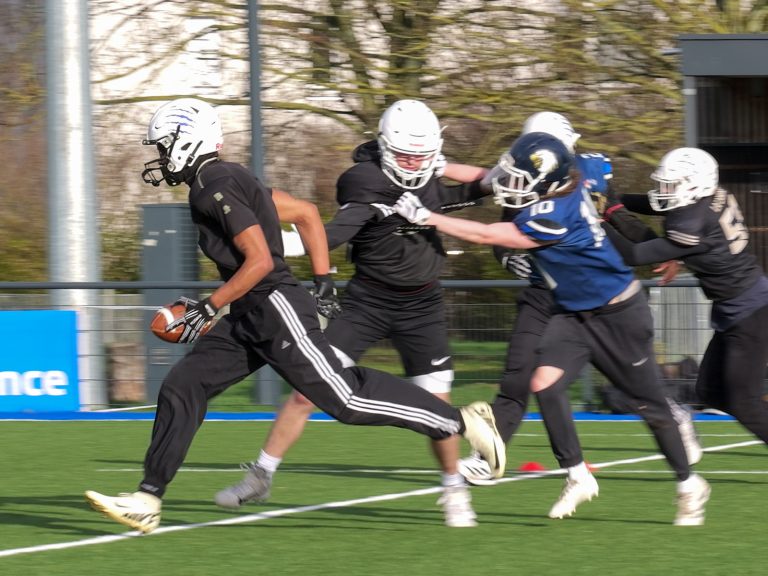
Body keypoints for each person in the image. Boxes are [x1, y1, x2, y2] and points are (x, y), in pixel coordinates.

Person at [83, 98, 505, 533]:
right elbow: (305, 214)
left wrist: (208, 307)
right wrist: (322, 279)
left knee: (344, 399)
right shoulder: (224, 176)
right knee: (183, 385)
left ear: (185, 142)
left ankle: (462, 421)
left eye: (163, 145)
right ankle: (148, 497)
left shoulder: (215, 186)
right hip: (252, 313)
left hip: (274, 306)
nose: (160, 155)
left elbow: (261, 261)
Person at [393, 131, 711, 526]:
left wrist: (428, 217)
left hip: (618, 315)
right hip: (575, 313)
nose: (510, 186)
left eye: (520, 180)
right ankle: (577, 475)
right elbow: (491, 176)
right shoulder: (576, 173)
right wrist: (438, 165)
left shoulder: (551, 214)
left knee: (651, 408)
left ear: (550, 181)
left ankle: (688, 483)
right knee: (543, 384)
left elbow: (488, 234)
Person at [214, 99, 493, 522]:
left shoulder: (434, 177)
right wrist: (279, 244)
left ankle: (454, 489)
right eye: (406, 155)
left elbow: (489, 184)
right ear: (384, 147)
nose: (414, 163)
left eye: (423, 155)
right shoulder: (364, 181)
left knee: (437, 402)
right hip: (368, 301)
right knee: (309, 388)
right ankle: (262, 473)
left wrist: (447, 168)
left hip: (423, 305)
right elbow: (336, 232)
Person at [455, 112, 701, 485]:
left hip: (593, 292)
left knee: (630, 381)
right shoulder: (525, 178)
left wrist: (658, 248)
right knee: (520, 373)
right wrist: (509, 259)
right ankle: (491, 453)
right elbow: (502, 233)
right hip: (544, 293)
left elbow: (619, 217)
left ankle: (668, 409)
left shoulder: (590, 173)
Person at [602, 146, 768, 447]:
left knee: (744, 403)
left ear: (694, 184)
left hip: (750, 313)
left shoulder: (691, 223)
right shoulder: (708, 198)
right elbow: (659, 205)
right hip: (741, 306)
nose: (663, 191)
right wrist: (614, 200)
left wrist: (597, 222)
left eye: (671, 185)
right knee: (710, 391)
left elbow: (635, 253)